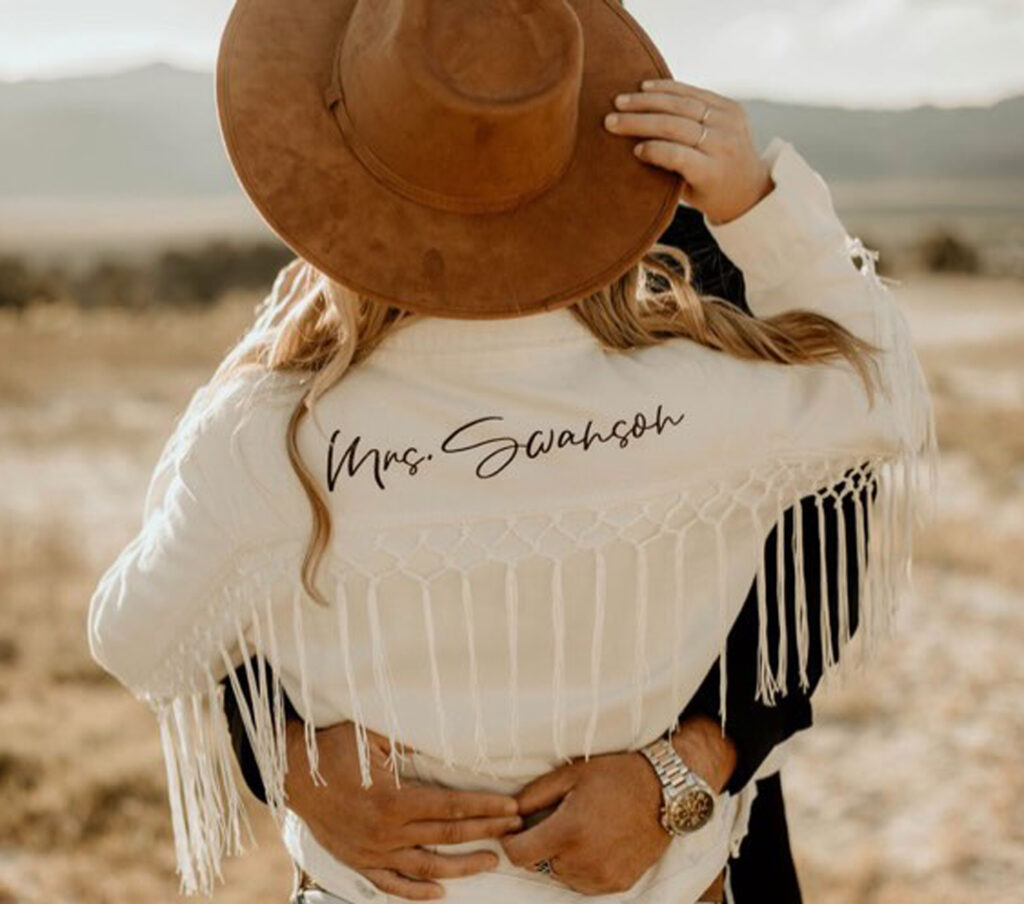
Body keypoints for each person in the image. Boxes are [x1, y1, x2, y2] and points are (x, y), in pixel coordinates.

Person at [86, 1, 937, 903]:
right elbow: (882, 392)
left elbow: (141, 634)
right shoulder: (714, 378)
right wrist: (289, 755)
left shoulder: (270, 429)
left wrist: (688, 765)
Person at [221, 198, 873, 904]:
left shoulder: (711, 250)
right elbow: (230, 568)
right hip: (381, 882)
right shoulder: (342, 269)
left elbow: (822, 531)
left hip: (679, 856)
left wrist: (689, 765)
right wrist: (287, 757)